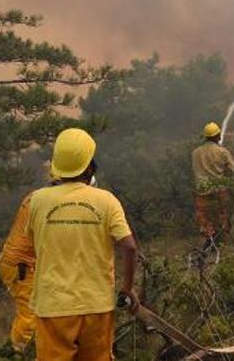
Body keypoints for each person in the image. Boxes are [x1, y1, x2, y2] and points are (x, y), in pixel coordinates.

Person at [27, 128, 139, 361]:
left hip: (53, 307)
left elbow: (32, 243)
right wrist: (127, 288)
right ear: (90, 167)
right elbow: (129, 246)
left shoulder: (37, 200)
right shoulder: (107, 201)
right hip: (97, 306)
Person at [0, 193, 37, 356]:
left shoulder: (37, 196)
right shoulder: (48, 202)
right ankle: (17, 353)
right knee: (30, 316)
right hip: (23, 266)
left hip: (15, 263)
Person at [191, 122, 234, 245]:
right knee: (223, 216)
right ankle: (222, 242)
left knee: (205, 219)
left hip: (202, 192)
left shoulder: (195, 153)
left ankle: (210, 241)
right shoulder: (222, 152)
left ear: (205, 137)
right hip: (220, 191)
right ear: (217, 136)